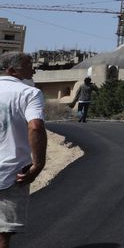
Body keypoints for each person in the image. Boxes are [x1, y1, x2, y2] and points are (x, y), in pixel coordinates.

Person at [0, 52, 47, 247]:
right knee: (2, 233)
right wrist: (38, 164)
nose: (33, 69)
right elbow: (35, 126)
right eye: (28, 65)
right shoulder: (29, 93)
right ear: (12, 70)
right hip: (11, 173)